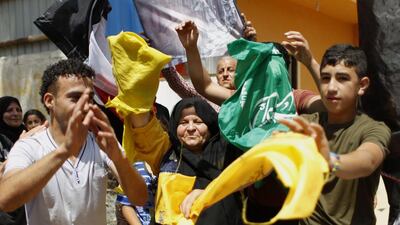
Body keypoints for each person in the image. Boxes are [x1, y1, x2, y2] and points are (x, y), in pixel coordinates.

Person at [0, 59, 147, 225]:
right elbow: (6, 200)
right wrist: (64, 151)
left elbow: (140, 198)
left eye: (90, 99)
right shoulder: (29, 146)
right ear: (50, 101)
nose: (85, 106)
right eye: (75, 98)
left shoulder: (101, 142)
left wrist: (119, 159)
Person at [280, 44, 391, 225]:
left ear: (362, 85)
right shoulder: (307, 123)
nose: (331, 87)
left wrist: (330, 161)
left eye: (342, 78)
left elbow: (367, 161)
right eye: (325, 78)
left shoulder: (373, 129)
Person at [128, 97, 243, 225]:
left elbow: (245, 182)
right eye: (183, 123)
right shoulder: (166, 152)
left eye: (198, 122)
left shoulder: (227, 151)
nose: (190, 128)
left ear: (210, 125)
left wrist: (208, 194)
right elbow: (143, 128)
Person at [174, 20, 323, 114]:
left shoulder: (296, 98)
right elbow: (204, 86)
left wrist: (311, 63)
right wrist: (191, 48)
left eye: (267, 65)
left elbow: (330, 105)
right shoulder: (244, 98)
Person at [0, 96, 27, 225]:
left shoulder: (29, 134)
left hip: (28, 204)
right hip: (5, 210)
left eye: (18, 109)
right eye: (9, 110)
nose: (15, 114)